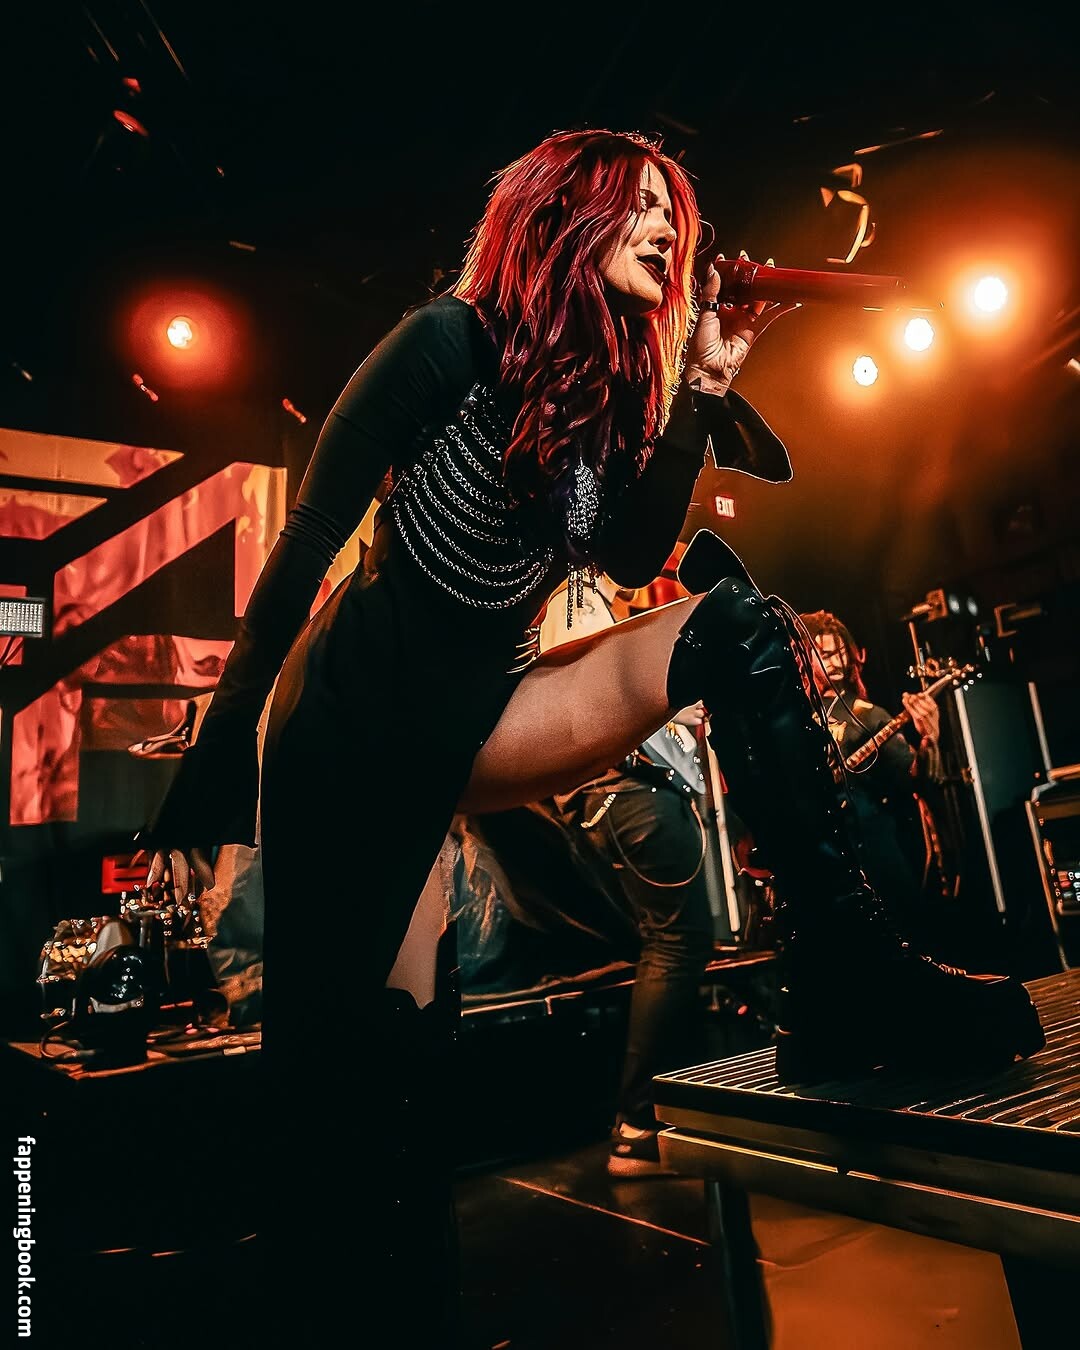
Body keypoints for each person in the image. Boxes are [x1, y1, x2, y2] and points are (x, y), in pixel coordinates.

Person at [139, 129, 1044, 1343]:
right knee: (362, 1083)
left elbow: (628, 555)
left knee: (735, 625)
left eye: (677, 210)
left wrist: (701, 390)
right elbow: (305, 545)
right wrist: (216, 765)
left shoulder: (605, 394)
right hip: (354, 732)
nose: (670, 228)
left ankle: (846, 982)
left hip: (484, 710)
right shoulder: (446, 341)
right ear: (567, 213)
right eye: (643, 205)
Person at [460, 572, 716, 1179]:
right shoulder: (577, 598)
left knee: (666, 945)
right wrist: (672, 703)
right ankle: (637, 1126)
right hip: (633, 797)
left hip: (624, 796)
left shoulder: (588, 602)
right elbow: (596, 711)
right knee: (679, 943)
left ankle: (646, 1119)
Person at [798, 609, 946, 943]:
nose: (835, 661)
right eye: (823, 654)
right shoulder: (792, 717)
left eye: (839, 652)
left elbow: (913, 778)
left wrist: (929, 739)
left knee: (902, 929)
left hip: (872, 844)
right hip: (819, 851)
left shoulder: (869, 715)